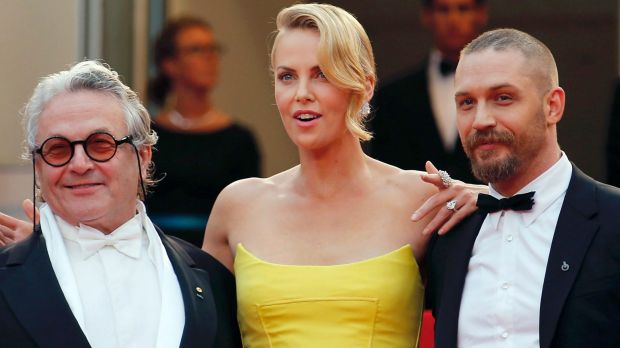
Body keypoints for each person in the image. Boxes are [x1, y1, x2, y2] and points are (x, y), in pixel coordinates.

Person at [202, 4, 484, 347]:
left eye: (321, 74)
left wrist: (487, 200)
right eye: (287, 76)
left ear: (364, 87)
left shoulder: (420, 197)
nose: (301, 93)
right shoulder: (238, 206)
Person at [0, 61, 240, 347]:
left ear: (143, 156)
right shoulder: (6, 279)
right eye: (58, 149)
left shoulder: (214, 281)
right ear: (38, 166)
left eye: (101, 144)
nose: (79, 164)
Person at [426, 28, 620, 348]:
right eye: (466, 102)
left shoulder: (613, 219)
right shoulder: (447, 233)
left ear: (553, 106)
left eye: (503, 98)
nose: (481, 120)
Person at [147, 16, 261, 247]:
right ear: (170, 64)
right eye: (197, 49)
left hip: (217, 258)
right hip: (155, 253)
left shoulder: (239, 139)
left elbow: (251, 215)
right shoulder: (147, 135)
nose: (210, 58)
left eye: (213, 49)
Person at [369, 0, 488, 184]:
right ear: (427, 15)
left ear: (481, 14)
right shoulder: (392, 96)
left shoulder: (504, 94)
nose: (453, 19)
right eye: (443, 10)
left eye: (463, 9)